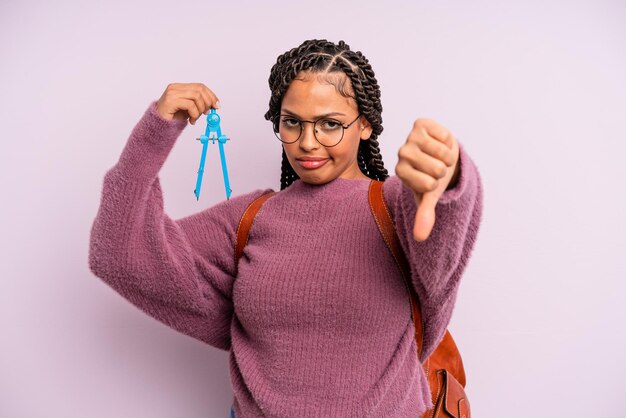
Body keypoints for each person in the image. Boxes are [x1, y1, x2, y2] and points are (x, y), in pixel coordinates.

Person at [88, 39, 483, 417]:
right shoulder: (251, 218)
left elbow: (444, 242)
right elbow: (119, 255)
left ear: (365, 125)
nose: (307, 143)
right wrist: (155, 133)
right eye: (292, 123)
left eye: (330, 124)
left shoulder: (396, 205)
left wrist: (448, 178)